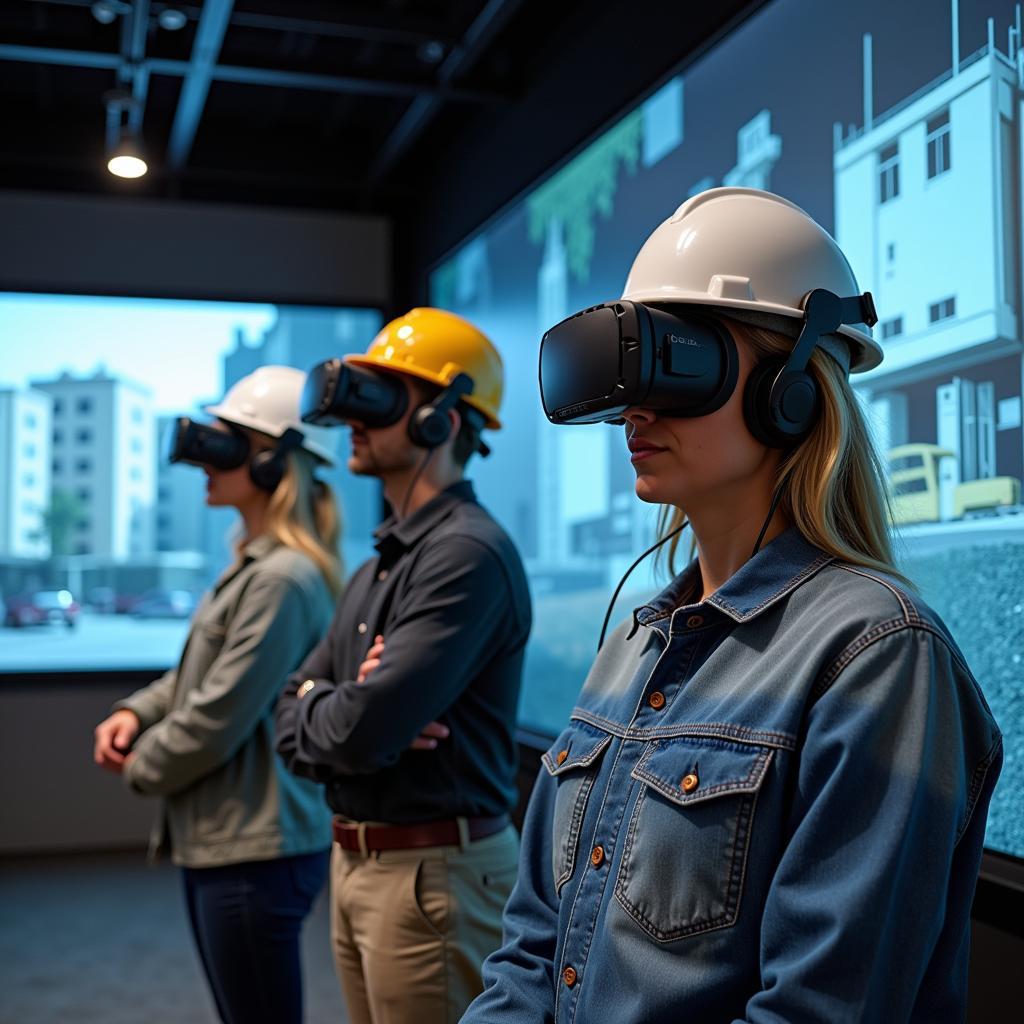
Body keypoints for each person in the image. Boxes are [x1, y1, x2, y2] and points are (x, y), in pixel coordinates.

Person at [462, 187, 1003, 1023]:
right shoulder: (631, 648)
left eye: (679, 360)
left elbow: (824, 1008)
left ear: (789, 392)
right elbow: (532, 945)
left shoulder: (878, 656)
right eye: (631, 369)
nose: (637, 408)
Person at [275, 308, 532, 1024]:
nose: (355, 417)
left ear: (441, 421)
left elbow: (359, 731)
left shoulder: (464, 555)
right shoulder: (379, 567)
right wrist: (345, 701)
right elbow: (287, 716)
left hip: (433, 876)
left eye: (384, 397)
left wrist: (341, 704)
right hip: (360, 866)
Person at [93, 366, 342, 1024]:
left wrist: (142, 768)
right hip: (230, 840)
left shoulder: (283, 579)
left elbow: (217, 712)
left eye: (224, 442)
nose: (203, 459)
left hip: (255, 850)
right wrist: (133, 711)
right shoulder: (253, 564)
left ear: (268, 464)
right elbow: (193, 679)